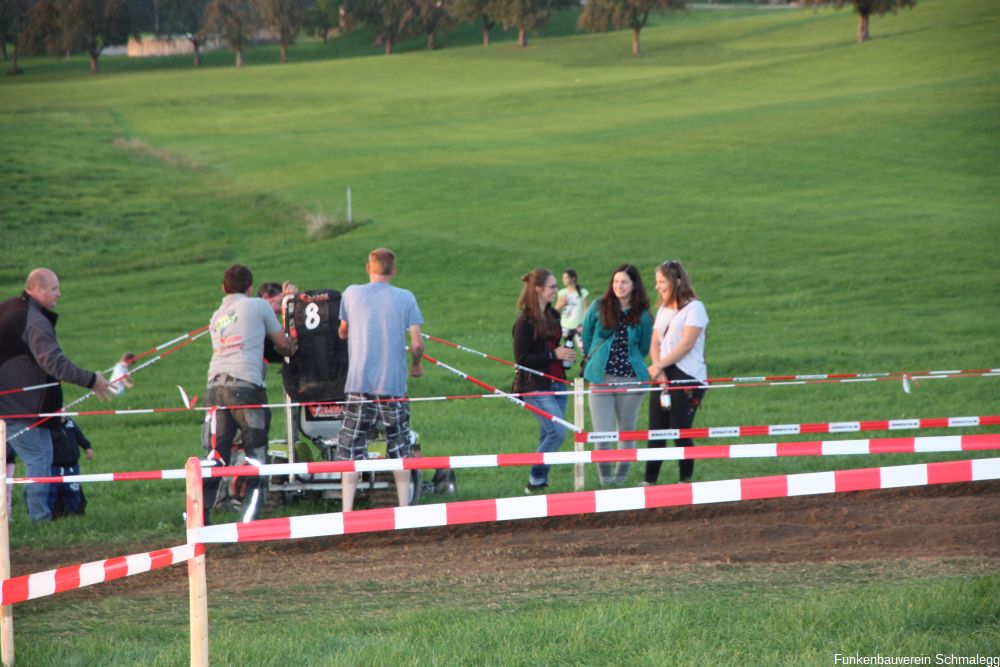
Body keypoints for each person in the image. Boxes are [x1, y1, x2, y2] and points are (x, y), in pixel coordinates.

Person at [0, 268, 113, 522]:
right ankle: (39, 520)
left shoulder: (11, 308)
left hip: (16, 405)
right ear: (37, 289)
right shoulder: (34, 320)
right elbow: (54, 363)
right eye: (54, 289)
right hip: (19, 408)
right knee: (39, 459)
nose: (58, 294)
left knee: (37, 457)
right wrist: (92, 380)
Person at [202, 264, 296, 524]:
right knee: (256, 454)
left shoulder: (216, 315)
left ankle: (200, 514)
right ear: (250, 287)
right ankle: (250, 517)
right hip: (246, 387)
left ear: (224, 288)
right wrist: (292, 344)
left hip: (214, 388)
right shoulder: (258, 306)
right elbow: (283, 345)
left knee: (215, 456)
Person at [336, 248, 424, 512]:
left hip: (359, 384)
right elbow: (417, 344)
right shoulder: (406, 297)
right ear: (393, 270)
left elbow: (343, 331)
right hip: (393, 386)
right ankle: (403, 506)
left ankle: (347, 510)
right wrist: (416, 365)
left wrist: (348, 332)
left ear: (368, 268)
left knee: (351, 445)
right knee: (399, 444)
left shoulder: (351, 293)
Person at [581, 264, 652, 486]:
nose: (619, 286)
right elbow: (586, 335)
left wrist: (627, 362)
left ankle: (620, 479)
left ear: (634, 286)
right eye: (616, 281)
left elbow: (644, 346)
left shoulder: (642, 314)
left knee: (627, 433)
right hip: (601, 378)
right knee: (602, 435)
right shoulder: (598, 306)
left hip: (631, 380)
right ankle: (605, 480)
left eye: (624, 282)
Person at [643, 260, 709, 485]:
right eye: (657, 281)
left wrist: (660, 365)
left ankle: (685, 480)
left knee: (680, 431)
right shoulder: (663, 308)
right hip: (663, 375)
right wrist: (658, 367)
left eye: (661, 281)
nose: (657, 286)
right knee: (656, 431)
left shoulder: (695, 308)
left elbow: (686, 344)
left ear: (676, 281)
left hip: (688, 376)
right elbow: (654, 341)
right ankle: (649, 481)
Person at [514, 268, 576, 494]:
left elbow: (555, 347)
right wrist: (553, 355)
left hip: (558, 382)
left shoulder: (554, 316)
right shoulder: (524, 323)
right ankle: (535, 478)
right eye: (551, 286)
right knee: (557, 432)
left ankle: (539, 486)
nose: (555, 291)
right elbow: (521, 360)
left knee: (547, 432)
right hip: (534, 386)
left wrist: (565, 356)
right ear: (538, 290)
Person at [49, 417, 92, 517]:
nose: (63, 413)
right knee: (52, 491)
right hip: (54, 466)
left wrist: (87, 447)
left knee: (73, 490)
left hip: (72, 466)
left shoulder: (70, 423)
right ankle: (54, 513)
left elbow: (79, 436)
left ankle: (75, 511)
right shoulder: (48, 427)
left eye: (64, 410)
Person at [554, 269, 588, 351]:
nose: (563, 280)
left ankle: (586, 363)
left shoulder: (582, 292)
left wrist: (583, 324)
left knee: (583, 348)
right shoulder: (562, 293)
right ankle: (568, 364)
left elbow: (586, 310)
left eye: (566, 278)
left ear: (573, 279)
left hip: (578, 326)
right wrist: (562, 303)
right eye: (563, 278)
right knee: (568, 350)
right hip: (565, 325)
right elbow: (555, 310)